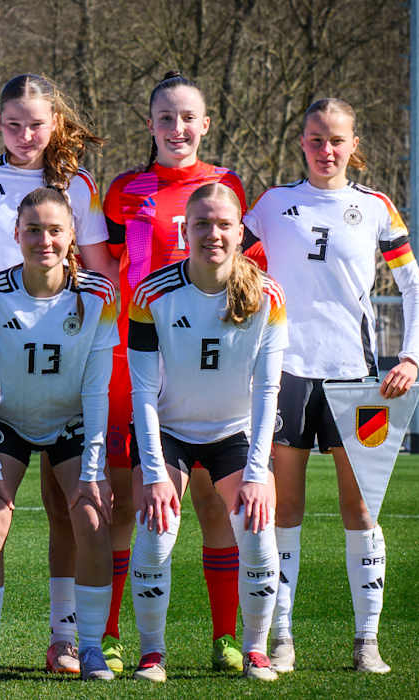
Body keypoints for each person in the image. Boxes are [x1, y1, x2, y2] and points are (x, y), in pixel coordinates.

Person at [242, 97, 419, 674]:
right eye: (317, 139)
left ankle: (367, 641)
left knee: (361, 510)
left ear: (353, 145)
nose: (327, 150)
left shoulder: (375, 207)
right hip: (285, 375)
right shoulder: (272, 205)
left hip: (357, 379)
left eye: (337, 140)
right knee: (284, 509)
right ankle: (282, 639)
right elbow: (231, 272)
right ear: (302, 142)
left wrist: (411, 357)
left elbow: (413, 287)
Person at [0, 72, 116, 675]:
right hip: (1, 381)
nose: (24, 135)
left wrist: (93, 464)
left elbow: (99, 271)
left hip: (67, 382)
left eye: (36, 124)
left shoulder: (79, 189)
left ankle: (75, 641)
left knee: (81, 509)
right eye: (13, 124)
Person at [103, 71, 248, 672]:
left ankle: (226, 637)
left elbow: (248, 273)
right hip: (132, 364)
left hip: (207, 368)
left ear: (205, 124)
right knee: (128, 503)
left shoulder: (226, 186)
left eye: (188, 117)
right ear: (150, 124)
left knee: (213, 505)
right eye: (166, 117)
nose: (177, 128)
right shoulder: (123, 191)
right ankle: (111, 634)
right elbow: (105, 271)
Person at [127, 183, 286, 683]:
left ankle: (255, 649)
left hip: (234, 434)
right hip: (170, 431)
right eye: (201, 224)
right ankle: (152, 653)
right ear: (185, 232)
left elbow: (268, 390)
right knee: (156, 530)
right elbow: (142, 392)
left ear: (240, 233)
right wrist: (155, 473)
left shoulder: (267, 296)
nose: (212, 234)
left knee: (256, 528)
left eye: (223, 225)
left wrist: (257, 474)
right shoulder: (151, 294)